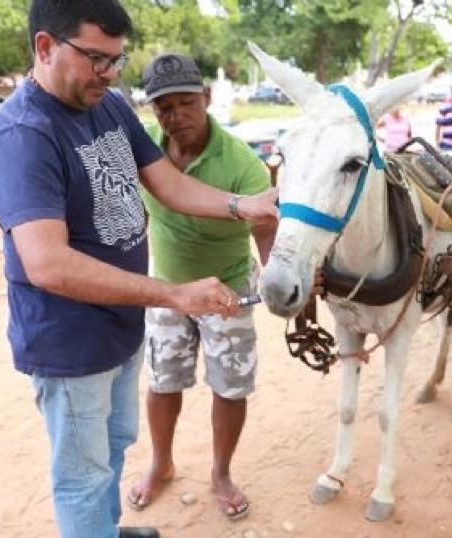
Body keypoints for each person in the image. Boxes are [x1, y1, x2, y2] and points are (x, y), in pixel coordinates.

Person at [0, 2, 277, 537]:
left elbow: (168, 183)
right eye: (96, 58)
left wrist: (241, 206)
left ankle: (106, 530)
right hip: (71, 344)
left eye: (116, 59)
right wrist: (173, 294)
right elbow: (46, 264)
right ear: (45, 47)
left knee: (113, 445)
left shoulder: (107, 107)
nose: (110, 73)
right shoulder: (21, 135)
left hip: (120, 327)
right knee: (82, 476)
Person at [125, 53, 275, 522]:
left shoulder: (244, 163)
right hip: (168, 289)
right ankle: (161, 463)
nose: (177, 117)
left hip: (226, 292)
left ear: (207, 99)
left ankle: (220, 472)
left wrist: (272, 275)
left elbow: (265, 225)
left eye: (187, 103)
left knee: (230, 389)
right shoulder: (144, 148)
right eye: (164, 107)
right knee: (163, 383)